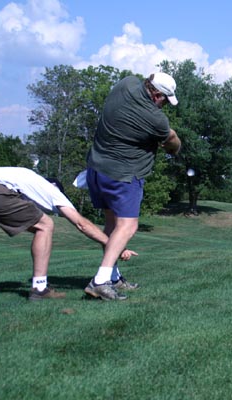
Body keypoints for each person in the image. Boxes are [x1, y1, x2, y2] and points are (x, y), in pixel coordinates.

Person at [84, 72, 182, 300]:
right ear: (157, 95)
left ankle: (113, 277)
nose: (165, 106)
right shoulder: (156, 119)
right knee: (128, 226)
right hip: (124, 175)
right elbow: (172, 142)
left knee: (112, 226)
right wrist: (175, 143)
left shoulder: (126, 84)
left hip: (96, 169)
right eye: (165, 101)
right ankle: (100, 281)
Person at [0, 167, 136, 300]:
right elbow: (82, 224)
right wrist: (115, 247)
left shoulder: (27, 180)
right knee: (45, 225)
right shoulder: (52, 191)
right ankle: (40, 288)